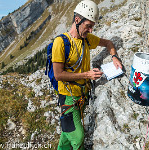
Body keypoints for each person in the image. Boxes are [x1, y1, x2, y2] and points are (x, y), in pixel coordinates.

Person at [52, 0, 122, 149]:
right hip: (68, 97)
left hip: (82, 95)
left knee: (67, 133)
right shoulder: (60, 43)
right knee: (78, 137)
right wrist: (87, 75)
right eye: (88, 26)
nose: (90, 30)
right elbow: (58, 75)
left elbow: (109, 43)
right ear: (77, 20)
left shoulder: (87, 40)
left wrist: (114, 57)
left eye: (92, 26)